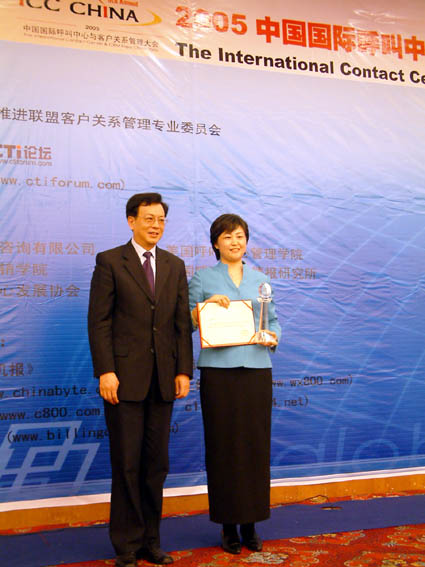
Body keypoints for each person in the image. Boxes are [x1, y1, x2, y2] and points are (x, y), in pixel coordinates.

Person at [88, 193, 193, 567]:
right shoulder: (110, 262)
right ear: (131, 221)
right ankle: (127, 546)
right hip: (123, 381)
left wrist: (183, 370)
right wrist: (106, 371)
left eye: (161, 219)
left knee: (156, 465)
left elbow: (181, 324)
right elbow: (99, 322)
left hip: (163, 380)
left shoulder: (174, 265)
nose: (156, 225)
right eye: (149, 218)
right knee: (127, 464)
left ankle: (152, 541)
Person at [188, 213, 281, 555]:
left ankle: (251, 523)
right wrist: (203, 308)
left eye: (240, 236)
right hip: (219, 373)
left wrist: (272, 336)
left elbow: (272, 321)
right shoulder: (203, 278)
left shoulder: (261, 280)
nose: (235, 242)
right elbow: (185, 320)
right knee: (223, 446)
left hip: (256, 369)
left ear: (247, 241)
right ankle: (228, 525)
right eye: (227, 236)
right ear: (216, 243)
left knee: (255, 447)